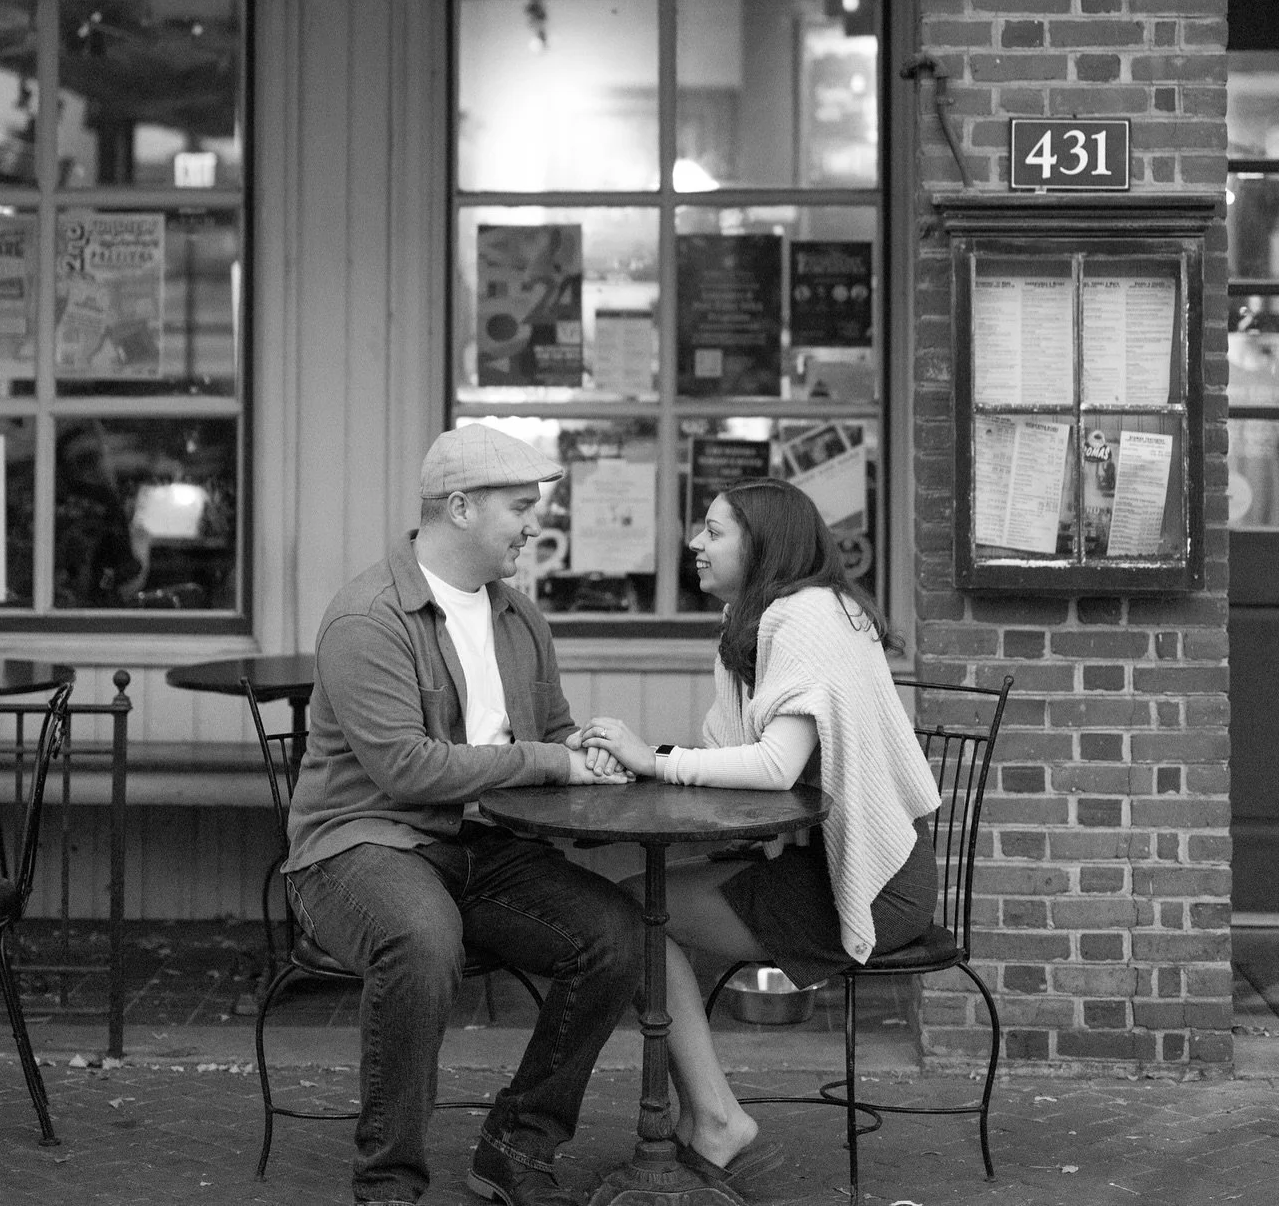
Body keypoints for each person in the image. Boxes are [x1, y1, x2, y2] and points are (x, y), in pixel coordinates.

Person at [284, 423, 647, 1206]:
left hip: (479, 843)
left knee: (616, 933)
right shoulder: (368, 618)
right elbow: (407, 768)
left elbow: (550, 735)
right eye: (520, 506)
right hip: (356, 844)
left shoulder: (518, 617)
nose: (533, 522)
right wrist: (552, 760)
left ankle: (516, 1145)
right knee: (422, 937)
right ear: (459, 507)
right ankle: (388, 1182)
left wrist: (591, 755)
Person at [579, 479, 941, 1192]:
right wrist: (644, 758)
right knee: (634, 908)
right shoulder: (765, 618)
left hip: (868, 885)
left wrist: (654, 760)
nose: (695, 544)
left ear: (762, 542)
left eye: (714, 531)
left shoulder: (803, 616)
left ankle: (714, 1119)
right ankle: (698, 1119)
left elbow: (776, 766)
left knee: (631, 916)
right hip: (825, 866)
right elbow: (737, 755)